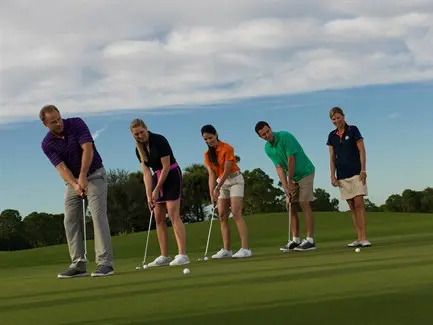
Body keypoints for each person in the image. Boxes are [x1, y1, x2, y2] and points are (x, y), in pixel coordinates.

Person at [40, 105, 114, 278]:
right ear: (45, 124)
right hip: (72, 182)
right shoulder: (47, 143)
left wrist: (82, 175)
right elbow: (61, 167)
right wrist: (74, 184)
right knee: (70, 219)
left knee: (97, 215)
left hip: (95, 174)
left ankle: (105, 263)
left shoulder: (76, 124)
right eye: (53, 122)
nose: (59, 123)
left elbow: (88, 149)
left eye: (59, 118)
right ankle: (78, 263)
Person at [130, 118, 190, 267]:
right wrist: (149, 194)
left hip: (171, 175)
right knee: (158, 218)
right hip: (157, 177)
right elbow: (146, 173)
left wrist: (156, 190)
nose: (140, 136)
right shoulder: (139, 150)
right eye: (136, 134)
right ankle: (164, 256)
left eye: (141, 132)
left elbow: (166, 166)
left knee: (173, 214)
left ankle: (182, 254)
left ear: (146, 128)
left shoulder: (159, 140)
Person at [255, 121, 316, 251]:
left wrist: (289, 181)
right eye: (263, 135)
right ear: (260, 137)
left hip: (305, 171)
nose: (267, 135)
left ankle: (310, 240)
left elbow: (291, 160)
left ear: (270, 128)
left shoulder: (285, 136)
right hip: (291, 177)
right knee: (290, 205)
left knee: (304, 202)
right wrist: (285, 186)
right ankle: (296, 240)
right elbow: (279, 167)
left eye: (267, 131)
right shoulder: (267, 148)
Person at [201, 124, 252, 259]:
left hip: (235, 180)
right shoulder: (207, 154)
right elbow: (212, 174)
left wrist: (217, 188)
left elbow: (227, 170)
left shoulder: (227, 148)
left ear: (216, 134)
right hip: (221, 183)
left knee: (236, 213)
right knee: (222, 215)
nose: (208, 141)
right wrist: (212, 191)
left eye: (210, 138)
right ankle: (227, 249)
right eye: (205, 139)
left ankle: (246, 248)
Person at [326, 107, 371, 248]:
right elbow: (332, 157)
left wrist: (363, 169)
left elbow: (362, 150)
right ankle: (358, 237)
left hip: (356, 172)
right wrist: (332, 175)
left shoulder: (353, 130)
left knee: (359, 204)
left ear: (343, 116)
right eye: (333, 119)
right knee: (351, 207)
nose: (336, 121)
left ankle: (364, 238)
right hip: (342, 175)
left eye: (338, 117)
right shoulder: (332, 136)